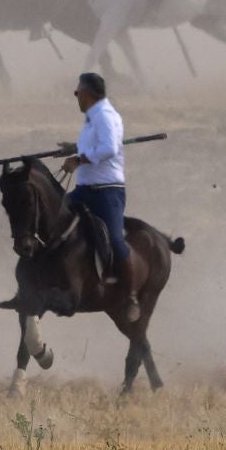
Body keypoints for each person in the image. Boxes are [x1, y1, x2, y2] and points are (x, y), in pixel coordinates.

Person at [58, 71, 137, 320]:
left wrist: (78, 159)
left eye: (77, 93)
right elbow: (97, 145)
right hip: (84, 189)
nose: (76, 97)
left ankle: (130, 294)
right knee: (54, 224)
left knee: (114, 239)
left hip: (107, 191)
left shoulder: (105, 116)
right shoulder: (93, 117)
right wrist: (75, 147)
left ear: (87, 93)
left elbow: (110, 148)